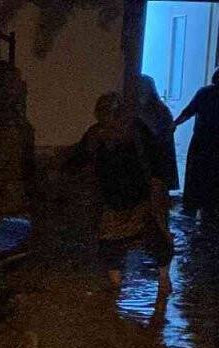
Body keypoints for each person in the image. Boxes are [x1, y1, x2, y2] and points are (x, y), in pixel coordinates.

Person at [64, 92, 173, 294]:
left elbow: (157, 159)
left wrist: (158, 187)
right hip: (112, 201)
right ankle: (115, 286)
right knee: (109, 244)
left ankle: (164, 278)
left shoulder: (137, 130)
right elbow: (79, 159)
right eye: (102, 114)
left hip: (141, 198)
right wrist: (63, 166)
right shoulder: (95, 135)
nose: (106, 120)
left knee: (156, 238)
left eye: (109, 114)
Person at [174, 67, 219, 217]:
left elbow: (188, 111)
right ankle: (209, 208)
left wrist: (174, 124)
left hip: (202, 140)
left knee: (195, 174)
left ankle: (191, 205)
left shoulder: (205, 93)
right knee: (216, 176)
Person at [134, 74, 179, 192]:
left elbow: (169, 128)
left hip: (157, 152)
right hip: (147, 152)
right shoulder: (138, 108)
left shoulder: (160, 109)